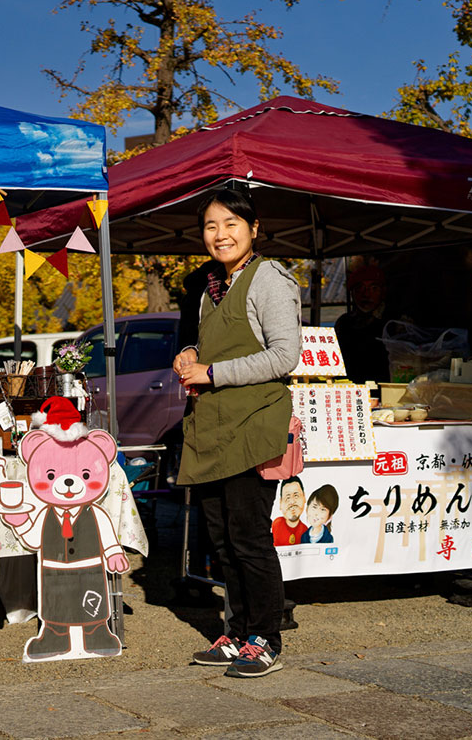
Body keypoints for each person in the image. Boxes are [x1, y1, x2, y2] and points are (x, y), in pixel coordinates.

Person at [173, 186, 301, 679]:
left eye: (230, 224)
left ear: (253, 230)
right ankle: (238, 632)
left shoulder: (269, 278)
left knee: (249, 538)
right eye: (211, 225)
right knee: (221, 540)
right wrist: (186, 356)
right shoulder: (211, 286)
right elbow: (205, 347)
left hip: (252, 422)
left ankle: (266, 639)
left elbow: (283, 356)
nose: (220, 234)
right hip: (212, 426)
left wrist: (213, 373)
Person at [333, 261, 391, 383]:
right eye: (360, 289)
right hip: (351, 389)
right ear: (352, 294)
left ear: (383, 292)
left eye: (373, 288)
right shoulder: (344, 323)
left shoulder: (393, 323)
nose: (366, 294)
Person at [271, 477, 307, 546]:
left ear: (304, 497)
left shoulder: (306, 532)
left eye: (296, 495)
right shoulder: (275, 525)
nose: (292, 502)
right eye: (287, 498)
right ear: (281, 503)